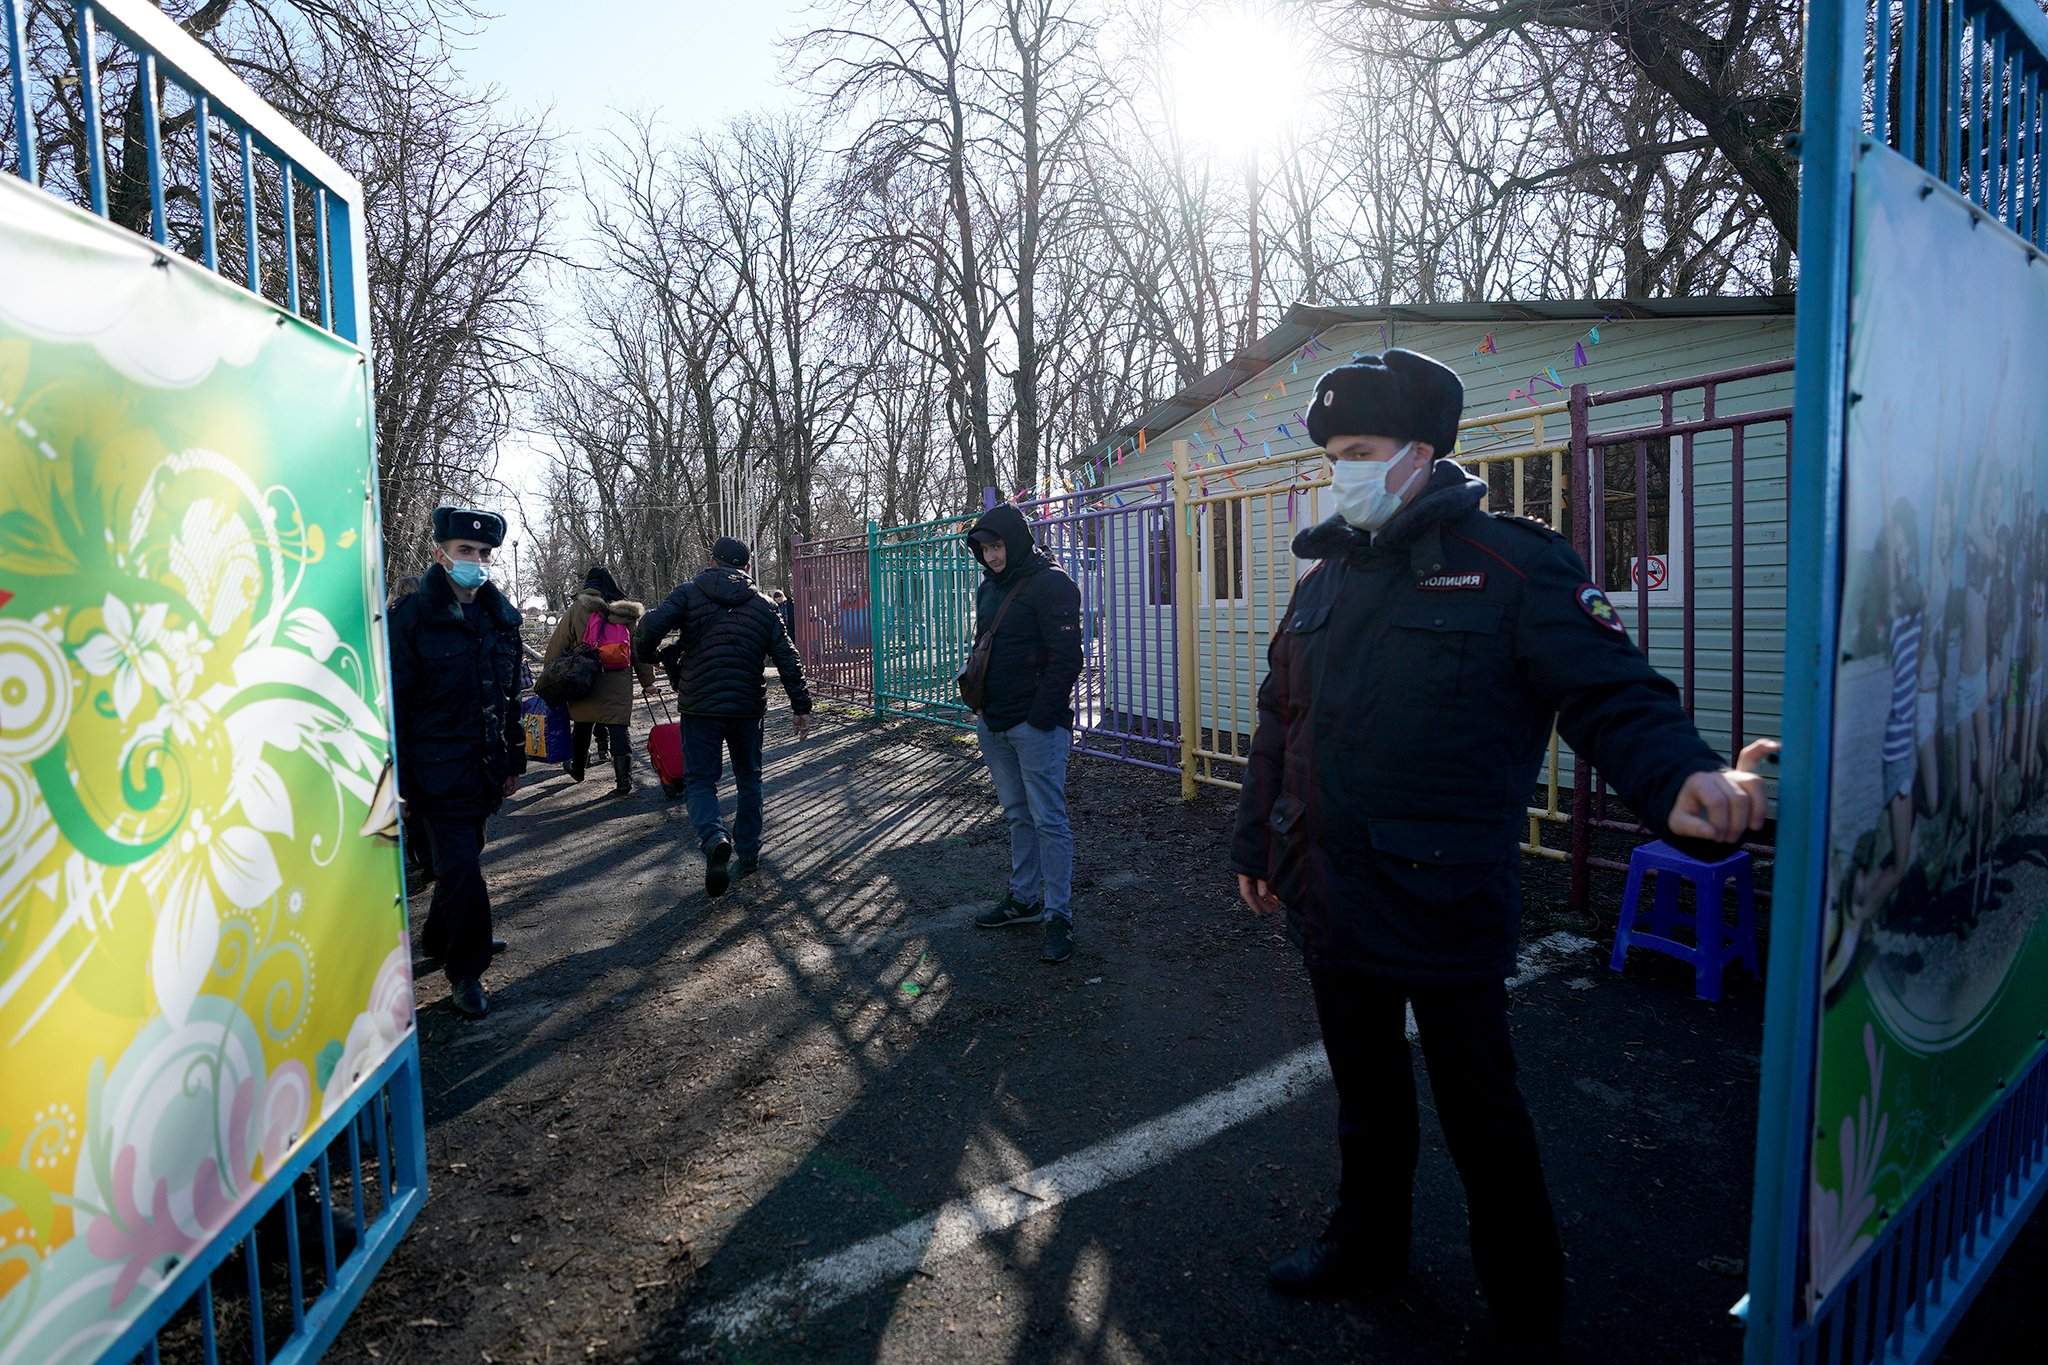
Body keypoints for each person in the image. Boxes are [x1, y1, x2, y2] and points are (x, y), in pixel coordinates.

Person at [1229, 350, 1767, 1362]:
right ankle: (1366, 1247)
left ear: (1418, 454)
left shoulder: (1512, 564)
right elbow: (1277, 721)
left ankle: (1523, 1302)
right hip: (1329, 894)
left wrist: (1680, 777)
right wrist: (1255, 841)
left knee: (1483, 1114)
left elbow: (1607, 690)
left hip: (1442, 899)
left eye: (1356, 452)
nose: (1337, 472)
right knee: (1365, 1098)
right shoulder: (1323, 576)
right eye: (1330, 455)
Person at [387, 506, 527, 1020]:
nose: (475, 561)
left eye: (484, 553)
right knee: (463, 869)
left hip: (484, 770)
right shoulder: (411, 620)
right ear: (440, 554)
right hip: (433, 772)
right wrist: (397, 779)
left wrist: (513, 760)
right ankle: (466, 969)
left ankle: (437, 936)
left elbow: (510, 698)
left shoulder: (499, 618)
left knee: (463, 859)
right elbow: (396, 704)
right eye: (465, 551)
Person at [637, 537, 813, 896]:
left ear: (712, 561)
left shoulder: (687, 593)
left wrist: (650, 655)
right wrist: (801, 707)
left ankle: (715, 836)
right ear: (746, 567)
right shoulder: (764, 606)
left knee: (701, 780)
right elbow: (787, 656)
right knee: (750, 778)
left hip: (699, 703)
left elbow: (648, 627)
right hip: (747, 707)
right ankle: (748, 852)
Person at [961, 502, 1085, 964]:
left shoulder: (1052, 584)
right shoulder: (989, 588)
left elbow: (1066, 658)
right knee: (1017, 816)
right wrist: (983, 708)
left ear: (1017, 540)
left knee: (1049, 819)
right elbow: (983, 647)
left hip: (1035, 727)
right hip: (993, 722)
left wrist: (1039, 717)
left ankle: (1058, 914)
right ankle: (1025, 898)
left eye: (998, 545)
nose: (992, 555)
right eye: (985, 548)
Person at [542, 565, 656, 797]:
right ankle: (623, 779)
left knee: (583, 724)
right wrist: (648, 682)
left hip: (583, 677)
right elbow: (639, 650)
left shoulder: (577, 609)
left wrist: (549, 676)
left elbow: (558, 644)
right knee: (618, 726)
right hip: (618, 681)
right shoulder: (626, 614)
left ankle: (577, 768)